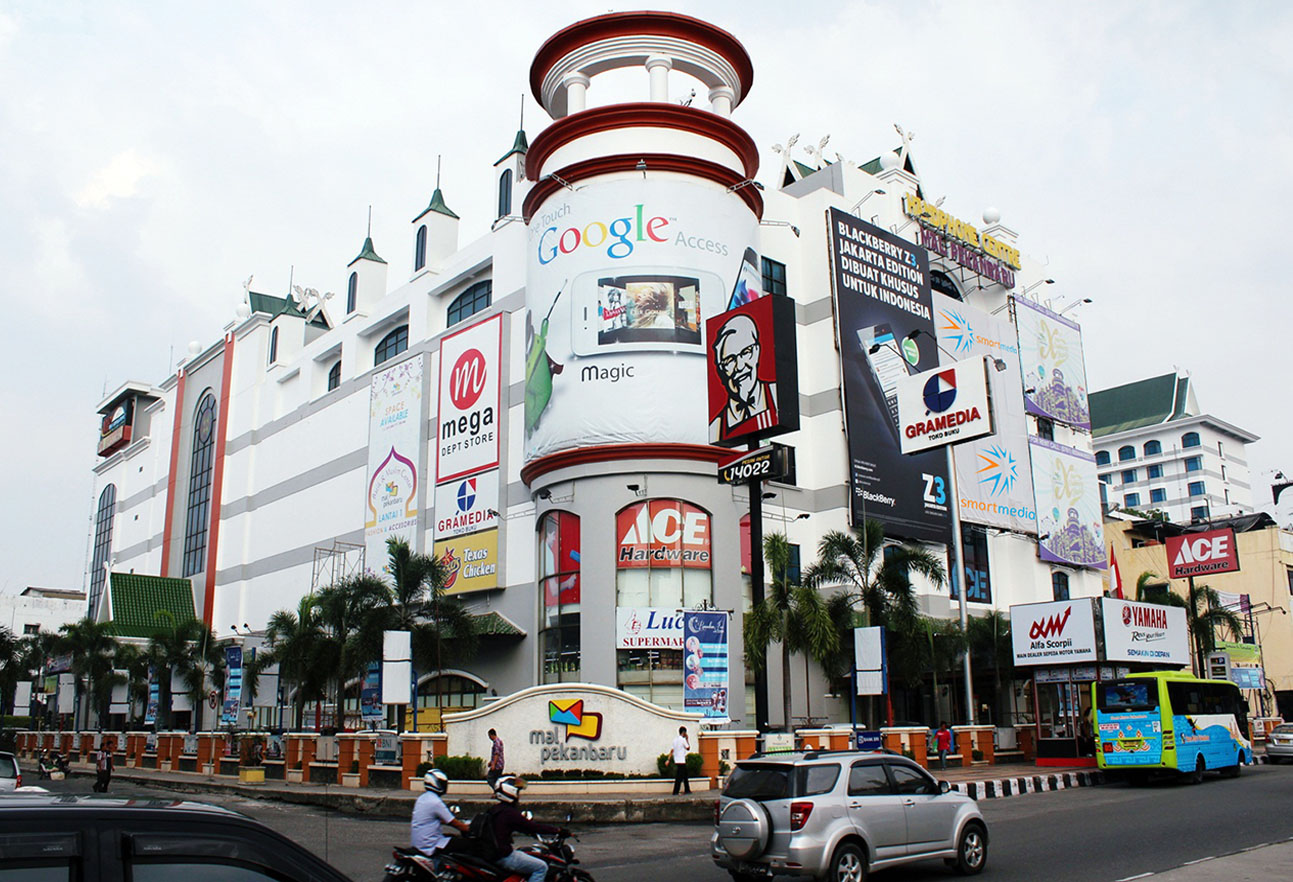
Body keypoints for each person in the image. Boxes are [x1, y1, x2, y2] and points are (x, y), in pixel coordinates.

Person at [709, 313, 778, 443]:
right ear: (720, 369)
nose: (739, 366)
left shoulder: (777, 397)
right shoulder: (715, 429)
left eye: (746, 353)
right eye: (729, 360)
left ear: (757, 351)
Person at [488, 776, 567, 882]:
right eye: (518, 792)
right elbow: (532, 826)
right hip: (504, 856)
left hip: (493, 854)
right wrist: (557, 830)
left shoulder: (495, 810)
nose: (519, 796)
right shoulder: (509, 813)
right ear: (511, 792)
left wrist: (530, 832)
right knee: (541, 867)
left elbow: (523, 827)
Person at [411, 769, 469, 864]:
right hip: (430, 844)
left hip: (418, 842)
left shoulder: (422, 798)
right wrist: (468, 828)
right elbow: (453, 823)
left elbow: (434, 819)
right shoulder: (436, 802)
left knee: (450, 837)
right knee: (465, 844)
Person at [671, 726, 692, 795]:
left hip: (676, 759)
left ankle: (687, 789)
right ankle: (676, 791)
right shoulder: (683, 740)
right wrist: (687, 739)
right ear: (684, 732)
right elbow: (688, 748)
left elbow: (672, 749)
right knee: (679, 776)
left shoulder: (675, 740)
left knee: (685, 775)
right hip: (681, 760)